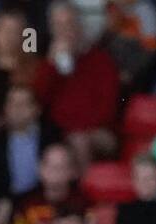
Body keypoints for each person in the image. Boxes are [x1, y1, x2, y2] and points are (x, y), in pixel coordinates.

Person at [32, 0, 121, 165]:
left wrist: (77, 127)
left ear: (79, 25)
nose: (64, 31)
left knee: (80, 140)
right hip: (59, 130)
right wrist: (51, 66)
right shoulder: (46, 62)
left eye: (69, 24)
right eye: (58, 25)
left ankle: (84, 188)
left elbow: (107, 107)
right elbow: (38, 99)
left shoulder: (101, 60)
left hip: (97, 131)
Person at [0, 85, 62, 210]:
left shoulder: (51, 136)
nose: (18, 109)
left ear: (36, 109)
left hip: (44, 199)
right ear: (5, 109)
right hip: (10, 202)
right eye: (13, 103)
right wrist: (3, 200)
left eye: (23, 103)